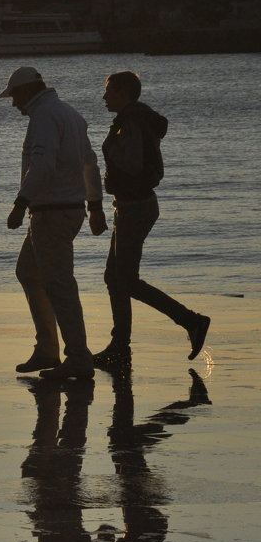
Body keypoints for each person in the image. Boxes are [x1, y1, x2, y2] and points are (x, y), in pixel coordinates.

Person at [92, 71, 210, 367]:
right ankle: (119, 346)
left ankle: (191, 321)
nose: (104, 97)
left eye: (109, 91)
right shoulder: (133, 119)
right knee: (114, 278)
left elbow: (131, 164)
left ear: (123, 93)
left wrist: (108, 156)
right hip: (132, 205)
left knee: (126, 280)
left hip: (135, 207)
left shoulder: (131, 122)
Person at [0, 66, 106, 380]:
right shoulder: (70, 114)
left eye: (15, 96)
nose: (14, 104)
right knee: (29, 272)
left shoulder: (45, 116)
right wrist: (95, 206)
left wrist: (20, 203)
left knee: (59, 285)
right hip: (66, 210)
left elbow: (42, 164)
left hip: (51, 212)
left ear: (27, 91)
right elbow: (90, 162)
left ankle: (77, 357)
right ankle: (47, 348)